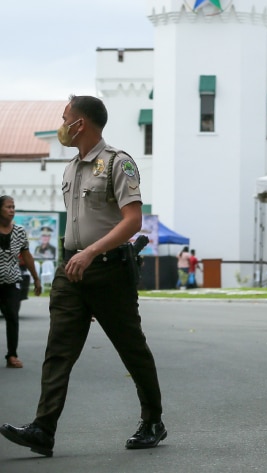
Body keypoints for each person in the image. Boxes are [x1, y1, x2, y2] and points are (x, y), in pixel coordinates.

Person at [0, 95, 165, 457]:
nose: (61, 124)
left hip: (108, 271)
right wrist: (78, 256)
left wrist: (92, 252)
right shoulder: (71, 168)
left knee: (131, 348)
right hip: (72, 269)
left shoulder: (118, 163)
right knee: (58, 350)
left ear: (82, 124)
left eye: (65, 118)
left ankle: (153, 420)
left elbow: (133, 221)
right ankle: (43, 429)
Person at [0, 196, 42, 369]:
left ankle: (12, 355)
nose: (12, 210)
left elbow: (26, 255)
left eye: (13, 207)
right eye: (8, 207)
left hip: (11, 283)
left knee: (13, 319)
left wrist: (36, 278)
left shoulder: (19, 231)